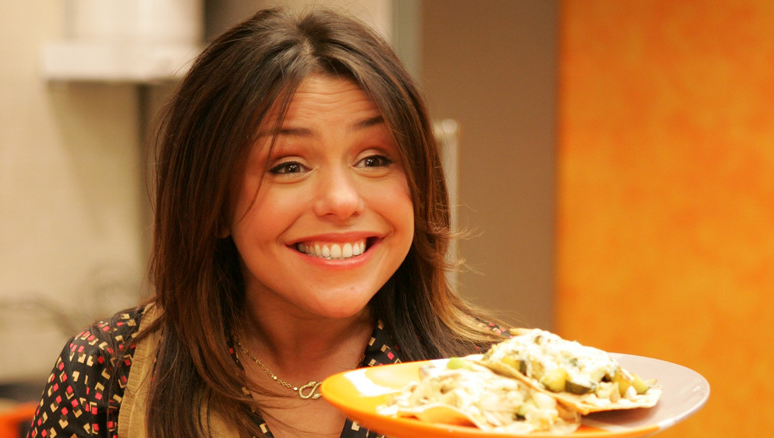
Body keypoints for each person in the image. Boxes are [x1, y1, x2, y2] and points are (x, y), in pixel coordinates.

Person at [28, 7, 511, 438]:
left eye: (374, 159)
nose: (341, 201)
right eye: (288, 166)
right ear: (212, 201)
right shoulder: (106, 374)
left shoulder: (506, 379)